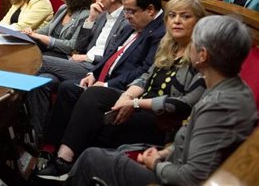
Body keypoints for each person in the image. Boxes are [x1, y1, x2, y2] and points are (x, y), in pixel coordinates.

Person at [64, 16, 257, 186]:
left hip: (172, 177)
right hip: (172, 159)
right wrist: (164, 154)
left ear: (203, 55)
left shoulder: (219, 105)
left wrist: (156, 164)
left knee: (93, 157)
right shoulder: (227, 86)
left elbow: (191, 178)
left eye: (194, 42)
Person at [39, 0, 208, 181]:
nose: (177, 21)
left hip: (161, 118)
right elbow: (145, 78)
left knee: (100, 116)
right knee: (85, 93)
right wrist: (127, 97)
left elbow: (184, 105)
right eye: (172, 15)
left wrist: (134, 103)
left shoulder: (201, 56)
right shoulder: (168, 46)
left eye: (185, 16)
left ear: (199, 22)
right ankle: (61, 157)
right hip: (139, 101)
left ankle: (69, 163)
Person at [28, 0, 131, 141]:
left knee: (40, 59)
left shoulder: (126, 20)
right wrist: (91, 19)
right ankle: (39, 137)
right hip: (79, 62)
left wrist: (87, 57)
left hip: (95, 69)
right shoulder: (102, 14)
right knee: (42, 81)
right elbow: (81, 44)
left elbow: (115, 55)